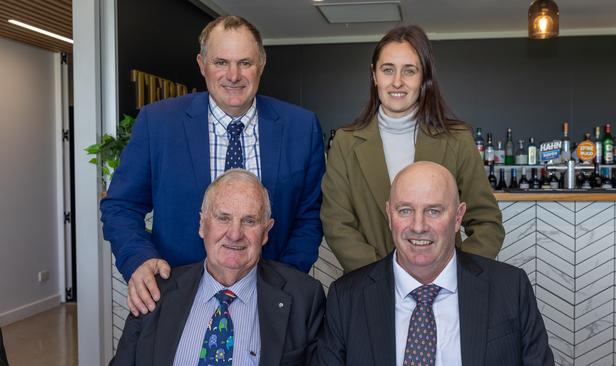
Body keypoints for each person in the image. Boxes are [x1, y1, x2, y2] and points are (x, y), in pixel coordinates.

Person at [101, 15, 325, 316]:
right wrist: (138, 259)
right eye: (221, 62)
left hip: (271, 302)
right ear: (201, 64)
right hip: (175, 295)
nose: (233, 75)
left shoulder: (301, 126)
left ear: (261, 64)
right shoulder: (158, 123)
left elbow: (309, 215)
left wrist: (284, 278)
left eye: (245, 62)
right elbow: (120, 206)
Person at [317, 162, 553, 366]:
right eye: (405, 210)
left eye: (433, 211)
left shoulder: (510, 287)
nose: (418, 226)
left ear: (458, 216)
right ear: (390, 215)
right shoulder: (346, 298)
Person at [321, 24, 504, 273]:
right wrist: (381, 278)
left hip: (444, 291)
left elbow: (486, 222)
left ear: (424, 78)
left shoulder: (457, 139)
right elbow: (336, 223)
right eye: (388, 70)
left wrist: (456, 276)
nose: (397, 82)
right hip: (371, 287)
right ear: (374, 75)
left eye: (409, 71)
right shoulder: (345, 142)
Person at [111, 169, 325, 365]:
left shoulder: (304, 297)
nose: (235, 234)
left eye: (249, 221)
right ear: (202, 225)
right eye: (223, 218)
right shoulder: (156, 293)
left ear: (266, 231)